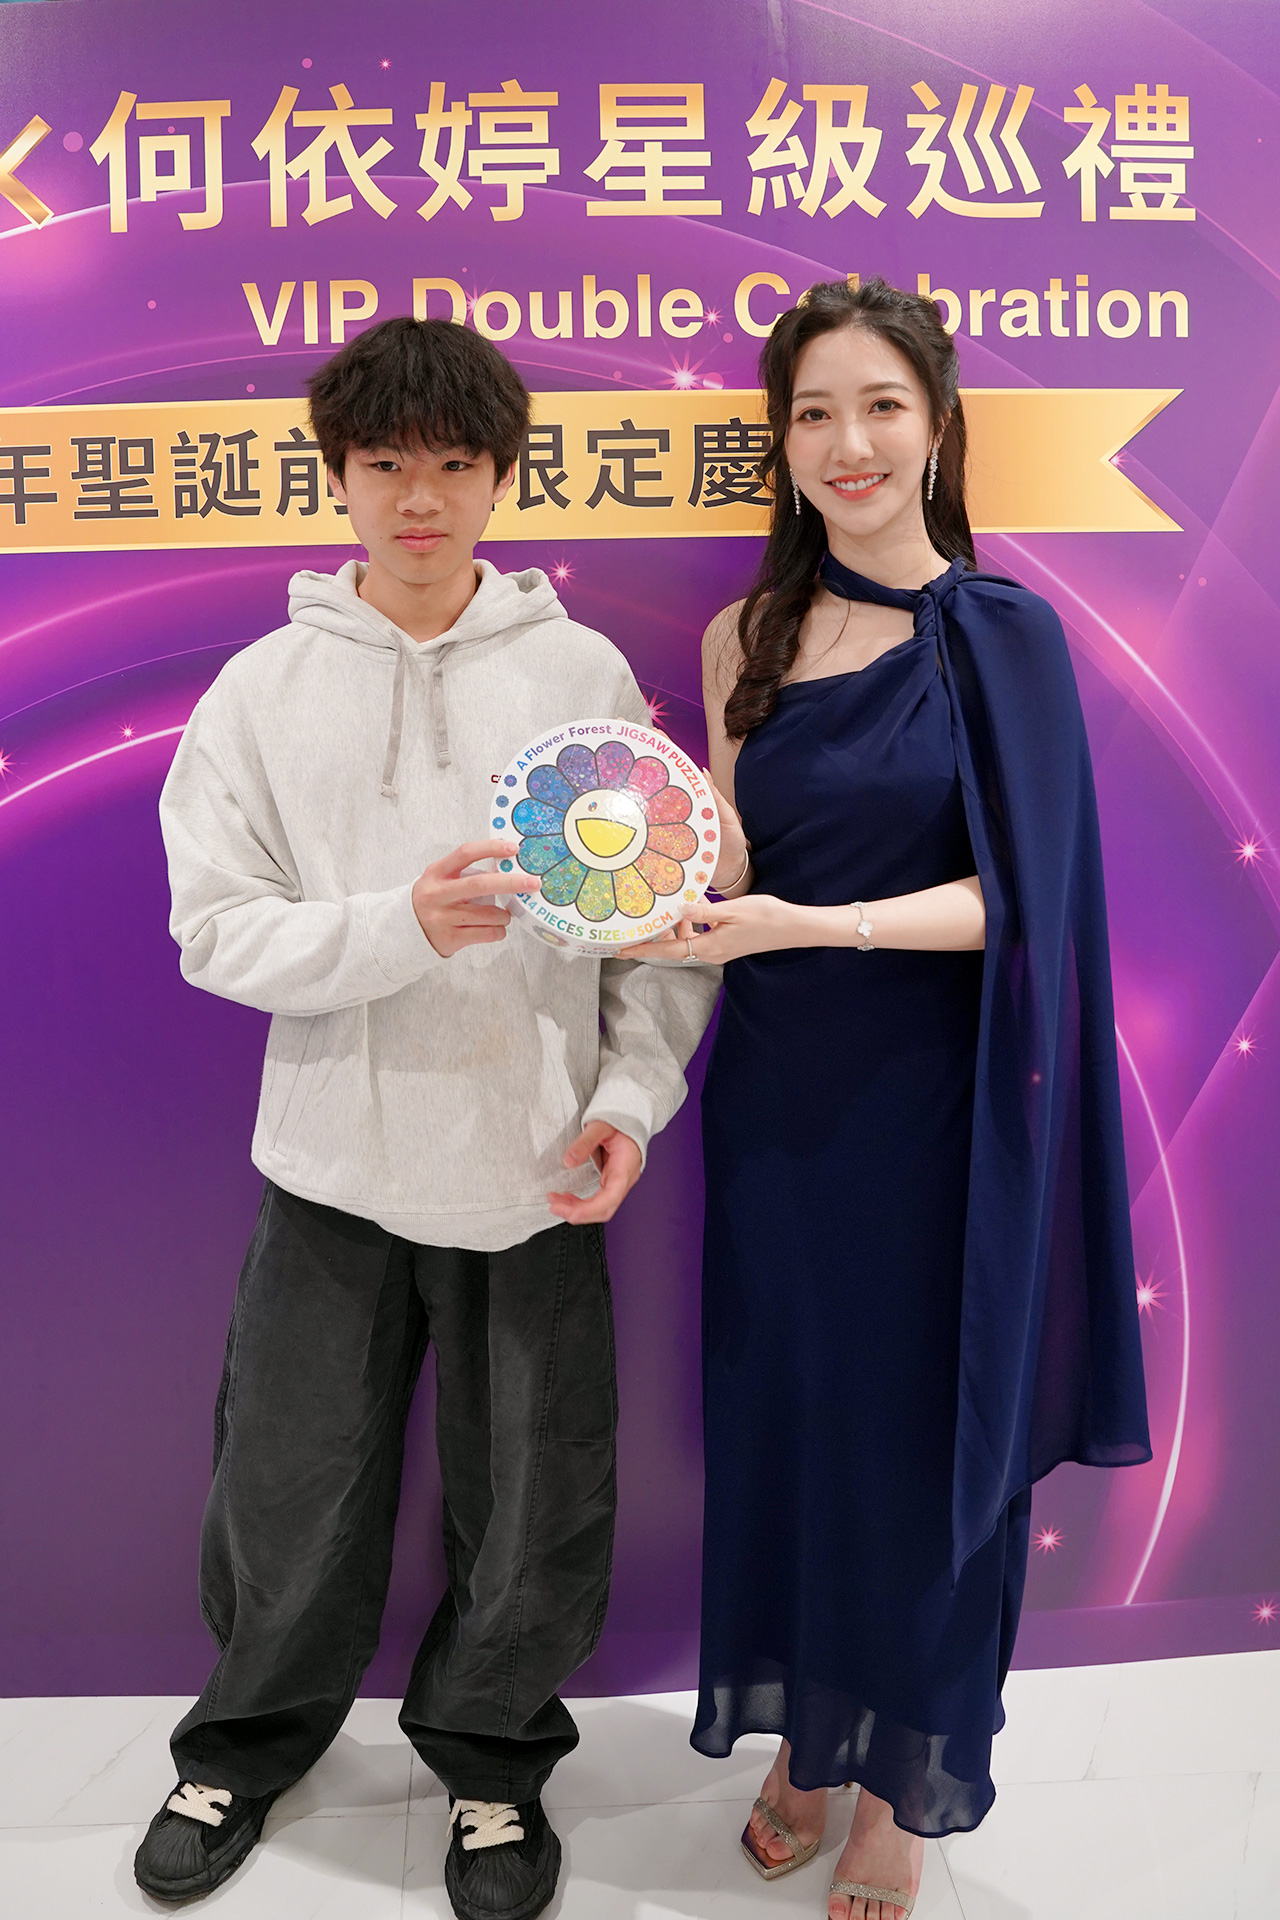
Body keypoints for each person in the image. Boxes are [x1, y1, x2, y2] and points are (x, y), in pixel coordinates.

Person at [135, 316, 719, 1917]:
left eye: (455, 464)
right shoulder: (261, 692)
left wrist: (628, 1101)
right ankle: (242, 1747)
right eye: (385, 462)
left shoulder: (581, 678)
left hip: (533, 1170)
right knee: (285, 1490)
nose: (419, 497)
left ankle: (493, 1765)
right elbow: (214, 932)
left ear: (500, 478)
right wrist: (401, 924)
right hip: (328, 1168)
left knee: (537, 1499)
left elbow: (654, 934)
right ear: (336, 473)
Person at [641, 278, 1151, 1920]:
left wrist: (814, 924)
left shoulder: (1000, 634)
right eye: (812, 413)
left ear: (936, 431)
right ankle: (809, 1734)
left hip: (939, 1113)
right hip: (778, 1105)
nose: (846, 443)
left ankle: (899, 1791)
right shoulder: (744, 636)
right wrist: (662, 855)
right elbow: (741, 858)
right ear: (782, 443)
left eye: (880, 407)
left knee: (926, 1448)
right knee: (793, 1424)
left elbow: (1028, 904)